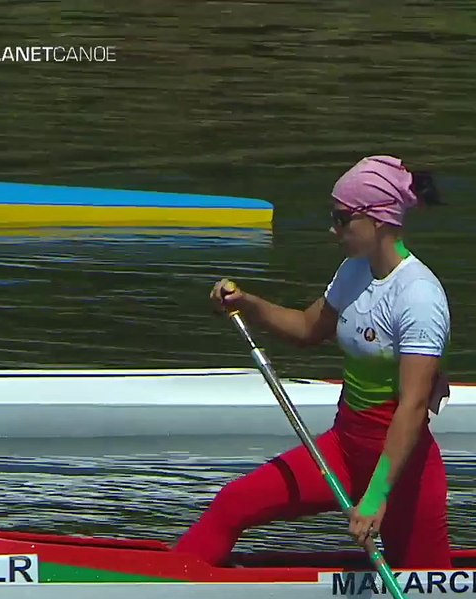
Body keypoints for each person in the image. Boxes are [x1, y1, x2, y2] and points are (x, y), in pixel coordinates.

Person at [176, 155, 454, 569]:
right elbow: (307, 328)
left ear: (377, 220)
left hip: (402, 474)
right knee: (233, 504)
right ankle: (169, 579)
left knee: (432, 588)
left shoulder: (419, 296)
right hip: (343, 449)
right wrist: (248, 304)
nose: (333, 229)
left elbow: (412, 408)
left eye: (342, 219)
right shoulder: (355, 271)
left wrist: (377, 496)